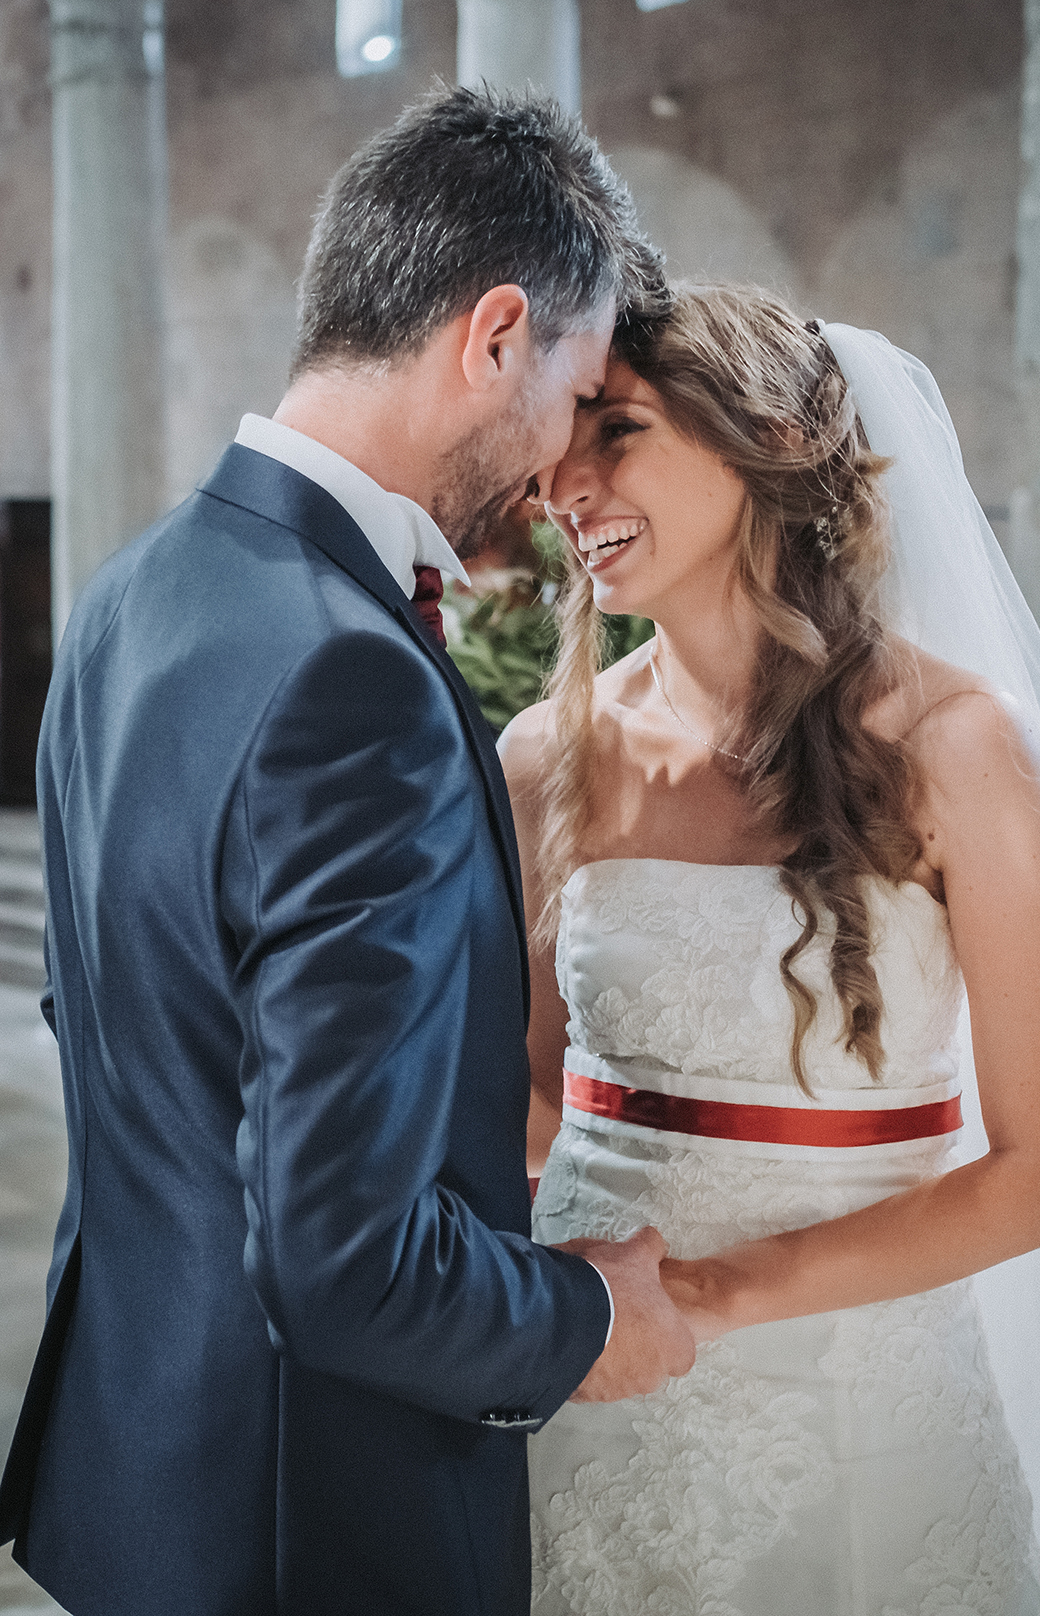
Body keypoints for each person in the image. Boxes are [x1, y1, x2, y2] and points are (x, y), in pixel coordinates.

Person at [0, 87, 697, 1616]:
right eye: (579, 391)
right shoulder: (349, 671)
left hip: (140, 1486)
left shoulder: (133, 593)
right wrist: (585, 1320)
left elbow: (139, 1051)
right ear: (496, 332)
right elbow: (341, 1258)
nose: (566, 460)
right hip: (312, 1527)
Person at [500, 285, 1040, 1615]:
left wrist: (719, 1296)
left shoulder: (955, 746)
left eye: (613, 432)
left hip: (865, 1385)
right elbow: (524, 1091)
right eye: (563, 438)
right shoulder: (541, 755)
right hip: (595, 1373)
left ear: (764, 445)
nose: (561, 482)